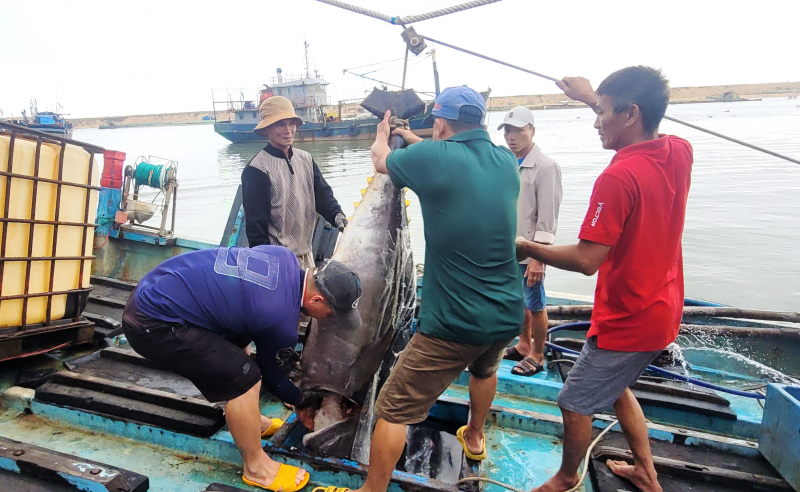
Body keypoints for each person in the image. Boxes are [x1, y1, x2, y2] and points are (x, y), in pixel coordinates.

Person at [516, 66, 691, 492]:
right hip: (664, 308)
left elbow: (587, 259)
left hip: (628, 317)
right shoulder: (678, 151)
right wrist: (593, 97)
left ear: (631, 114)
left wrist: (527, 247)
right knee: (617, 387)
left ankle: (565, 477)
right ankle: (646, 472)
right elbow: (639, 120)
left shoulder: (617, 177)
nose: (596, 122)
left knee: (574, 401)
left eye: (602, 113)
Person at [354, 86, 524, 492]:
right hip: (506, 313)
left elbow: (381, 160)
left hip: (455, 321)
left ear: (441, 124)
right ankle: (475, 435)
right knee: (485, 370)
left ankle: (371, 490)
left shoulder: (433, 157)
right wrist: (412, 137)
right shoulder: (506, 160)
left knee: (393, 409)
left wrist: (384, 133)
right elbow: (447, 156)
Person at [121, 245, 362, 492]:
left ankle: (251, 421)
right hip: (152, 324)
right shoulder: (280, 320)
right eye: (330, 314)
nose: (328, 319)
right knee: (246, 379)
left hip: (153, 289)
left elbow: (243, 308)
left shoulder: (283, 256)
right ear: (316, 300)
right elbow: (273, 378)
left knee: (240, 355)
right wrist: (303, 400)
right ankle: (256, 467)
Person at [242, 96, 348, 269]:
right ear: (267, 129)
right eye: (280, 124)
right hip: (277, 260)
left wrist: (337, 214)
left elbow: (322, 196)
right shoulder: (257, 169)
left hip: (306, 254)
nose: (288, 130)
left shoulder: (306, 159)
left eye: (291, 124)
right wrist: (265, 265)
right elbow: (256, 226)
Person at [499, 106, 563, 377]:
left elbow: (548, 217)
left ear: (532, 131)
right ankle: (523, 343)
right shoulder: (507, 162)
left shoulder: (546, 167)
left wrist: (539, 258)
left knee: (535, 303)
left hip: (531, 249)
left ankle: (537, 354)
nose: (511, 136)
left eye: (519, 130)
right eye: (508, 130)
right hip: (509, 249)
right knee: (518, 300)